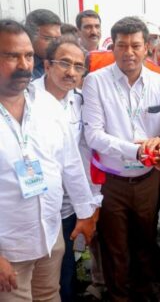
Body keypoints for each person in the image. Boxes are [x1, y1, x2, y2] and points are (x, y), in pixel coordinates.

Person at [82, 16, 160, 302]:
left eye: (135, 45)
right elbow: (93, 135)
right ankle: (119, 296)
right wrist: (136, 150)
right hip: (111, 180)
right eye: (122, 45)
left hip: (148, 179)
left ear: (147, 48)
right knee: (114, 245)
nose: (129, 52)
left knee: (145, 239)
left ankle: (144, 291)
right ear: (112, 47)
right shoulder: (95, 82)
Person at [0, 19, 97, 301]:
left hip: (50, 234)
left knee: (50, 295)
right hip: (9, 247)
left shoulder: (45, 104)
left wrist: (85, 213)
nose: (23, 65)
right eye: (10, 56)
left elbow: (70, 164)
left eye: (28, 55)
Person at [31, 36, 102, 302]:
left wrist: (90, 201)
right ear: (47, 65)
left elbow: (80, 156)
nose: (71, 72)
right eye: (64, 63)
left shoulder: (81, 101)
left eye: (78, 66)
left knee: (67, 264)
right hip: (38, 204)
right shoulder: (27, 101)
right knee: (41, 275)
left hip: (72, 202)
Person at [25, 9, 61, 79]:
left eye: (58, 38)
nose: (55, 43)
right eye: (48, 38)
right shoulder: (23, 66)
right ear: (30, 36)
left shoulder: (60, 63)